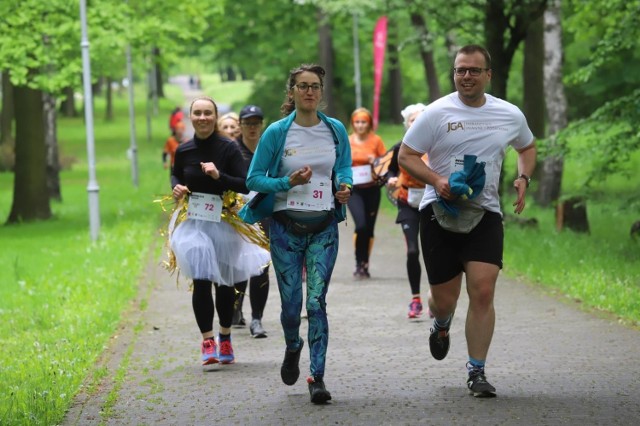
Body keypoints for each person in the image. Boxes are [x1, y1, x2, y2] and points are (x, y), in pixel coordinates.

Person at [399, 44, 536, 398]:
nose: (467, 76)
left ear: (488, 75)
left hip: (485, 213)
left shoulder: (508, 114)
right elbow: (406, 155)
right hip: (439, 212)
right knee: (445, 300)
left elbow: (527, 147)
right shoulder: (436, 112)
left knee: (484, 290)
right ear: (454, 73)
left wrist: (524, 179)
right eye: (461, 70)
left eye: (474, 70)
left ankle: (476, 371)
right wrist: (436, 180)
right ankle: (440, 323)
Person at [239, 64, 352, 404]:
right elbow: (254, 179)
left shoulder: (334, 130)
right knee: (292, 307)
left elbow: (343, 167)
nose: (309, 92)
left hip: (324, 228)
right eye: (302, 86)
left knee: (316, 302)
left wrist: (344, 186)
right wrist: (288, 182)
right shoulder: (276, 133)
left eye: (315, 86)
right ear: (292, 92)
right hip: (286, 228)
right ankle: (293, 345)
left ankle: (316, 376)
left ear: (321, 92)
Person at [170, 96, 271, 366]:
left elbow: (244, 183)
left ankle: (225, 336)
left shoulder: (227, 148)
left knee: (224, 283)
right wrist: (177, 187)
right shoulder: (184, 150)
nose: (203, 118)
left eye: (208, 113)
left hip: (225, 222)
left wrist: (219, 177)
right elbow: (176, 174)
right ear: (191, 117)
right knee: (201, 279)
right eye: (197, 113)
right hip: (194, 223)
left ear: (215, 117)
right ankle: (207, 341)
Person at [386, 103, 432, 319]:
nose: (417, 123)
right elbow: (389, 170)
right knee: (413, 250)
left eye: (421, 119)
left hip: (433, 202)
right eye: (413, 120)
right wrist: (390, 179)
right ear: (407, 124)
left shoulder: (436, 145)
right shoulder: (400, 147)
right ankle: (416, 300)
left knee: (433, 252)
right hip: (407, 202)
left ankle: (435, 297)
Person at [231, 104, 271, 338]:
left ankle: (257, 319)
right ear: (241, 125)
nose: (253, 128)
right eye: (248, 123)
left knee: (261, 266)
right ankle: (235, 306)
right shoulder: (232, 149)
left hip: (264, 211)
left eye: (256, 123)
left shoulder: (269, 146)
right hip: (236, 213)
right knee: (237, 265)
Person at [347, 107, 386, 279]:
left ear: (369, 123)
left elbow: (385, 164)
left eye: (364, 122)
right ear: (353, 123)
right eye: (357, 122)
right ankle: (358, 262)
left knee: (369, 229)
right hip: (354, 190)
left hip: (372, 189)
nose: (360, 125)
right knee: (360, 225)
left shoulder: (376, 141)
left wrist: (375, 161)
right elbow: (340, 163)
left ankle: (365, 264)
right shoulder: (347, 141)